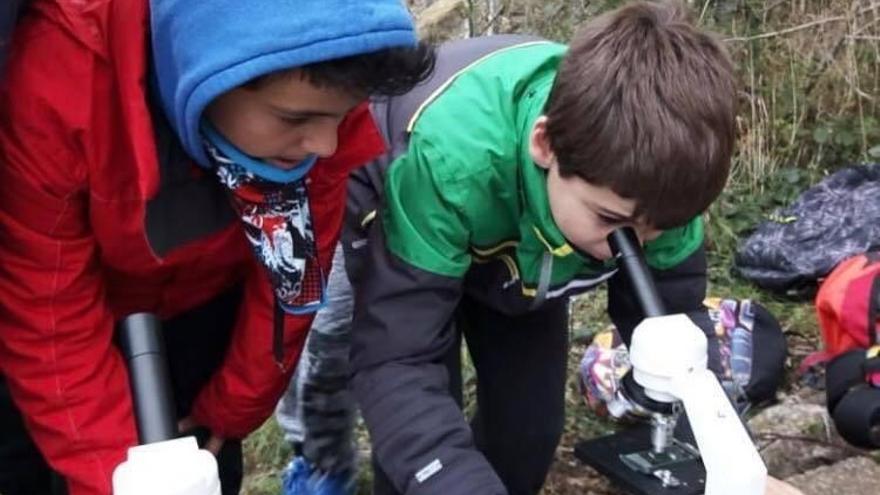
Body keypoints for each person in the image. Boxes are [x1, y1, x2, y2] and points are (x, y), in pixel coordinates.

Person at [0, 1, 434, 494]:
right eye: (296, 117)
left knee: (207, 469)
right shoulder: (61, 78)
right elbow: (48, 306)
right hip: (75, 318)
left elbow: (288, 281)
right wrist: (118, 476)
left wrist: (229, 409)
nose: (327, 145)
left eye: (340, 117)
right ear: (206, 70)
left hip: (204, 311)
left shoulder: (322, 98)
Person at [341, 2, 743, 494]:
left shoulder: (659, 183)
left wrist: (697, 411)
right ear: (546, 145)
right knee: (420, 433)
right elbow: (398, 360)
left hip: (524, 240)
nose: (630, 248)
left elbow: (672, 305)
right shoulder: (446, 164)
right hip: (419, 217)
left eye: (659, 230)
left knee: (529, 428)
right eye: (613, 223)